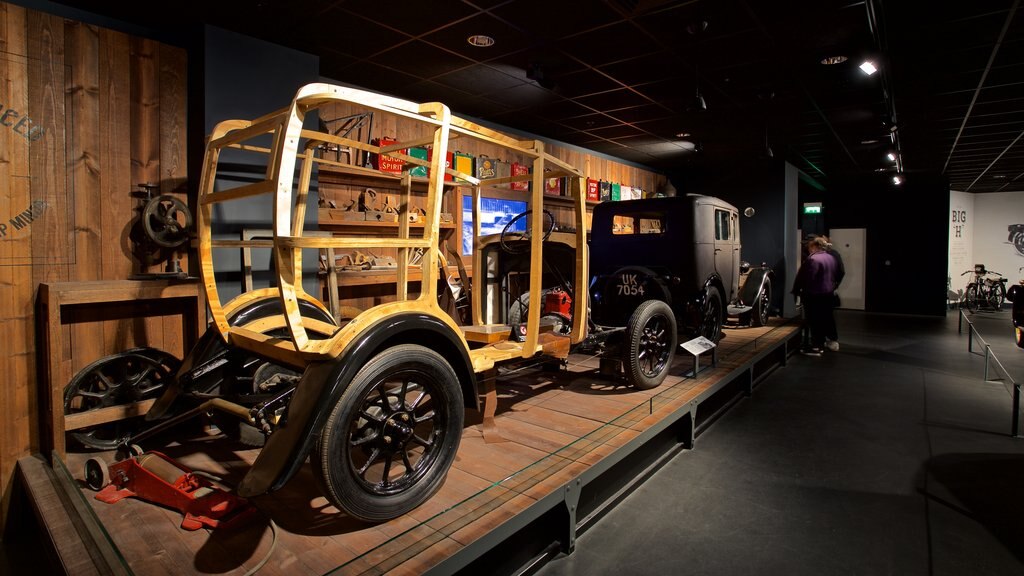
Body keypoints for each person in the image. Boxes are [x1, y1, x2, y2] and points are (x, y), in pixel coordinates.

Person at [791, 236, 838, 355]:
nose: (808, 248)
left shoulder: (813, 260)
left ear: (815, 246)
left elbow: (808, 279)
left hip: (814, 295)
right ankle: (821, 344)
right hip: (828, 294)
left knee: (815, 321)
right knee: (824, 319)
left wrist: (798, 291)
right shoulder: (831, 258)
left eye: (809, 246)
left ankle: (817, 347)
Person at [819, 235, 845, 351]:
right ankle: (828, 339)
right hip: (827, 289)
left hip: (823, 290)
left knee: (825, 315)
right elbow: (841, 271)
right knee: (826, 315)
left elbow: (840, 271)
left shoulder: (829, 255)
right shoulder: (833, 254)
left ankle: (827, 339)